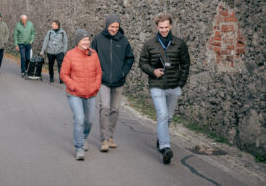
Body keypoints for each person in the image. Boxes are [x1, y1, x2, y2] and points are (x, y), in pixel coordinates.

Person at [139, 13, 190, 165]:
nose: (163, 30)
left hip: (174, 86)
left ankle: (161, 137)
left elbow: (185, 64)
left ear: (171, 26)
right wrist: (152, 71)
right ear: (156, 27)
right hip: (157, 85)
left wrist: (180, 84)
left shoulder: (179, 44)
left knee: (168, 117)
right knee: (162, 115)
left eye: (166, 27)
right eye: (161, 27)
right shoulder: (149, 44)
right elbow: (142, 63)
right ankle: (165, 147)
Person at [91, 13, 135, 152]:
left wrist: (123, 73)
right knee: (105, 108)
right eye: (111, 26)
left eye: (116, 26)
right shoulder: (98, 39)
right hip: (103, 81)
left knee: (115, 110)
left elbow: (130, 58)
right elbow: (91, 56)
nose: (114, 29)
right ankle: (104, 139)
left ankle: (110, 137)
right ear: (107, 25)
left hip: (118, 81)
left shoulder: (123, 41)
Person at [60, 29, 102, 161]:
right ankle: (79, 148)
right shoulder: (70, 55)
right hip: (74, 94)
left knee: (89, 120)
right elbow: (63, 74)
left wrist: (96, 86)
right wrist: (73, 86)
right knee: (79, 119)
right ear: (78, 41)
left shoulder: (94, 54)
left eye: (88, 39)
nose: (86, 42)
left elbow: (99, 72)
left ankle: (84, 138)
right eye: (84, 40)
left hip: (91, 93)